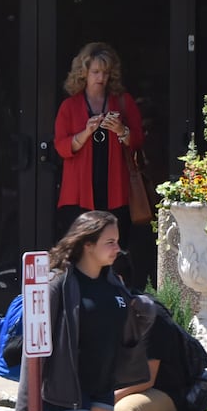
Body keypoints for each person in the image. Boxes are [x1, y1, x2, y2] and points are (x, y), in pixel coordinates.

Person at [19, 209, 150, 411]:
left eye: (117, 241)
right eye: (110, 242)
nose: (118, 248)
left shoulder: (114, 283)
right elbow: (35, 342)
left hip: (102, 386)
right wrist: (27, 398)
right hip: (67, 386)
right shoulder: (59, 284)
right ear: (87, 244)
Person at [53, 42, 146, 290]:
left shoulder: (122, 102)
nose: (101, 78)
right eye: (95, 72)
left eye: (105, 73)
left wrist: (121, 130)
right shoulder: (70, 106)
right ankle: (79, 300)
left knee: (116, 253)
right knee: (78, 254)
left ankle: (116, 299)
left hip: (115, 191)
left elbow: (137, 140)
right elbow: (62, 147)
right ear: (84, 72)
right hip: (78, 195)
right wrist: (86, 132)